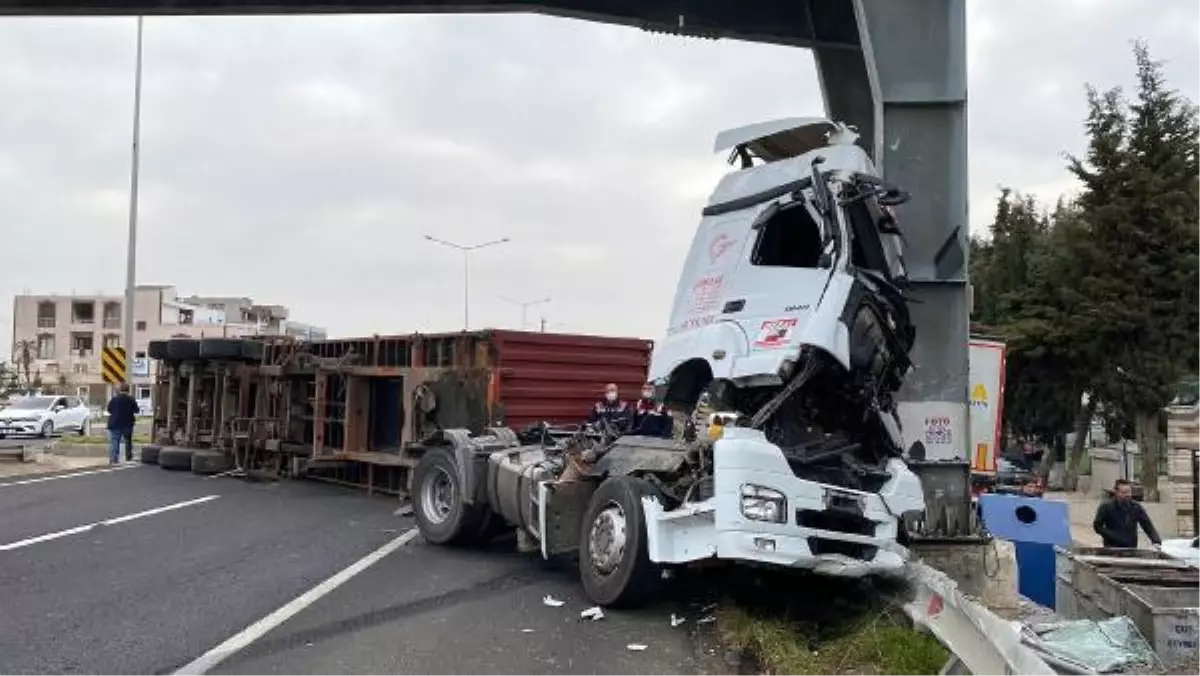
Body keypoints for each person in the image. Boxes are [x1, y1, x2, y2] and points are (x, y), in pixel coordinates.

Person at [1093, 479, 1162, 550]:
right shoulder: (1106, 507)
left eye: (1129, 492)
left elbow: (1147, 525)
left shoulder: (1135, 507)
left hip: (1131, 547)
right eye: (1124, 492)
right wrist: (1112, 536)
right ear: (1116, 492)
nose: (1128, 495)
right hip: (1111, 547)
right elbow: (1097, 526)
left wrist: (1156, 541)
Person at [106, 384, 140, 464]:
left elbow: (109, 410)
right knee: (128, 441)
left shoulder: (114, 399)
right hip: (127, 424)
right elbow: (136, 410)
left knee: (115, 441)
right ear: (128, 390)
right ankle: (128, 457)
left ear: (120, 390)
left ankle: (114, 459)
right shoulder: (131, 399)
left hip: (115, 423)